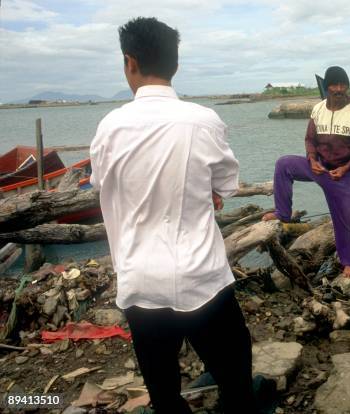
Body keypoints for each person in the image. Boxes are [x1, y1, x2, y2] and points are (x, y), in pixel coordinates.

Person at [89, 17, 255, 414]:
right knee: (235, 380)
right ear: (175, 64)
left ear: (129, 62)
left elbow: (101, 185)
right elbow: (226, 186)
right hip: (202, 276)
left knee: (163, 392)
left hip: (140, 280)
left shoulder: (110, 127)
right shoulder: (203, 121)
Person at [263, 66, 350, 278]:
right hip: (320, 167)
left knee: (345, 218)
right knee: (283, 164)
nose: (339, 89)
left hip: (346, 174)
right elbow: (310, 140)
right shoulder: (318, 109)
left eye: (343, 85)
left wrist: (346, 168)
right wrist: (312, 160)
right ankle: (283, 213)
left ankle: (348, 260)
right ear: (326, 86)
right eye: (334, 84)